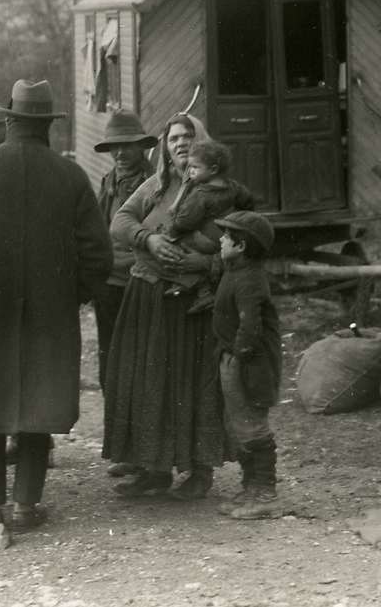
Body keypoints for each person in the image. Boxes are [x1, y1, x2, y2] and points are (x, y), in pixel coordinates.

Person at [0, 80, 112, 536]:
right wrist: (75, 294)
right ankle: (25, 506)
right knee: (38, 399)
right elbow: (98, 253)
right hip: (50, 313)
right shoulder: (71, 176)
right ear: (47, 126)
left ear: (9, 120)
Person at [102, 112, 226, 501]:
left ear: (201, 140)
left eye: (188, 136)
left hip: (193, 300)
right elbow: (119, 221)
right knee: (148, 381)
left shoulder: (220, 190)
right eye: (173, 138)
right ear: (165, 146)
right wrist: (148, 240)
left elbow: (243, 243)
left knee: (192, 382)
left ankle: (199, 471)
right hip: (149, 294)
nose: (180, 143)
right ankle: (154, 471)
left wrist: (203, 263)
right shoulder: (155, 187)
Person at [211, 210, 284, 520]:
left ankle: (265, 492)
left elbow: (250, 325)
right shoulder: (234, 271)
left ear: (241, 246)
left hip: (248, 363)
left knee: (252, 423)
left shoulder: (250, 280)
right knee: (239, 422)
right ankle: (250, 487)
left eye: (226, 236)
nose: (220, 239)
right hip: (233, 358)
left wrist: (239, 356)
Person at [92, 111, 158, 392]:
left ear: (141, 147)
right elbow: (97, 226)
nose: (119, 153)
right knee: (109, 351)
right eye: (114, 147)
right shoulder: (107, 181)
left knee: (142, 352)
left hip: (140, 277)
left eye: (127, 145)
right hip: (109, 281)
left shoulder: (155, 183)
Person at [162, 139, 254, 314]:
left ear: (212, 170)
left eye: (195, 167)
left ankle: (195, 287)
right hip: (226, 237)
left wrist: (172, 231)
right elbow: (248, 201)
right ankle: (204, 290)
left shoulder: (201, 194)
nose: (190, 171)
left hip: (206, 239)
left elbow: (186, 220)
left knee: (178, 244)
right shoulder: (233, 186)